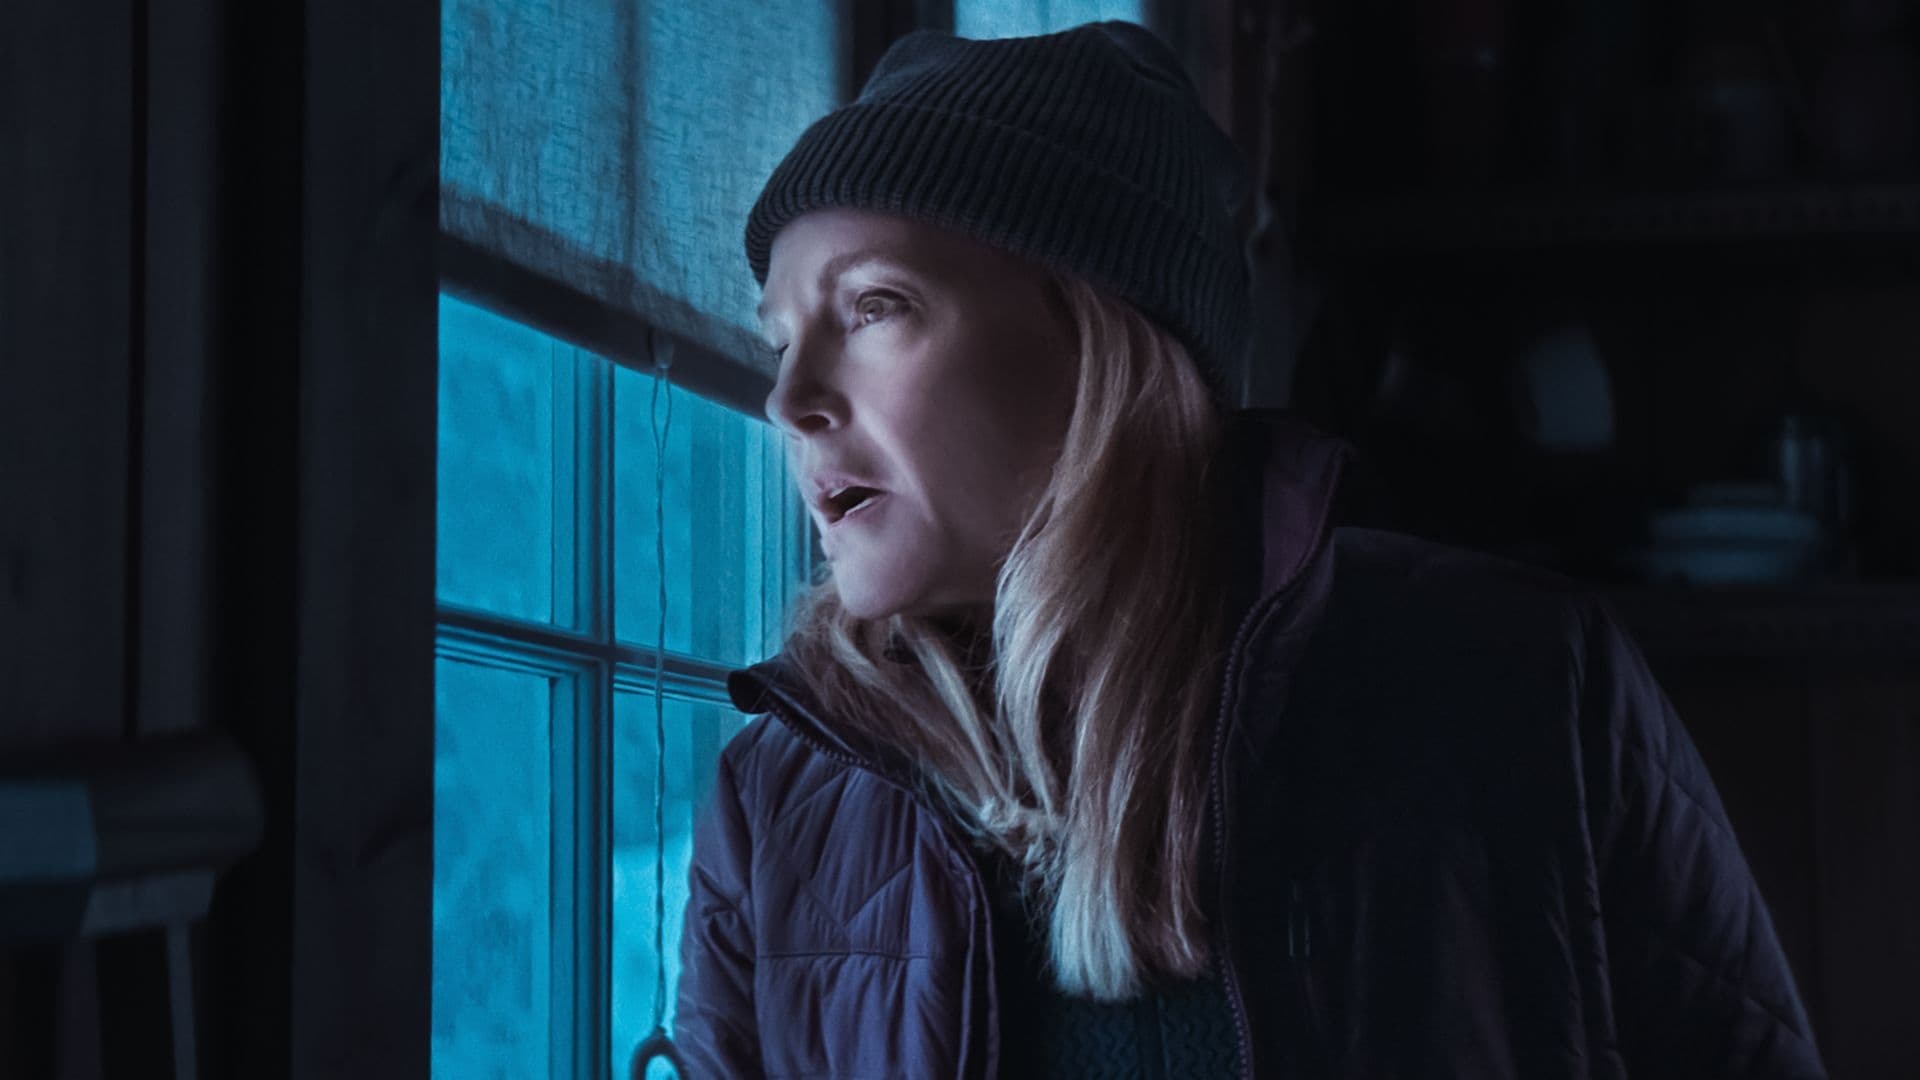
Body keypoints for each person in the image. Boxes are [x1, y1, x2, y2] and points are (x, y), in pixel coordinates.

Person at [674, 20, 1826, 1079]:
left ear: (1099, 340)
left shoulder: (1519, 680)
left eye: (874, 307)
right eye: (780, 338)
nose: (790, 398)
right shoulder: (776, 803)